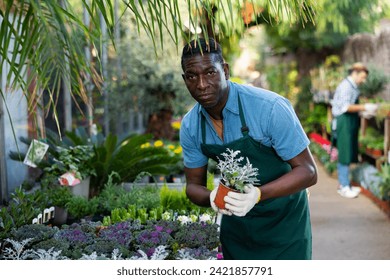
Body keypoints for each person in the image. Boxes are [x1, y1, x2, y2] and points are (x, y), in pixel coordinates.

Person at [179, 38, 318, 260]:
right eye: (192, 76)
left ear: (225, 70)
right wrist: (212, 197)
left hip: (285, 224)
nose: (202, 84)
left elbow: (308, 172)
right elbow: (193, 186)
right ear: (185, 80)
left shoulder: (270, 108)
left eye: (210, 73)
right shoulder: (190, 126)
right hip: (238, 229)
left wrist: (258, 194)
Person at [331, 63, 378, 199]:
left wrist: (363, 110)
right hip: (344, 121)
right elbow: (346, 107)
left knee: (348, 151)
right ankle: (344, 186)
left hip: (349, 121)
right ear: (355, 73)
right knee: (344, 153)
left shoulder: (352, 86)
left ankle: (346, 184)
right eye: (362, 77)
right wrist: (365, 107)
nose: (363, 80)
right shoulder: (346, 86)